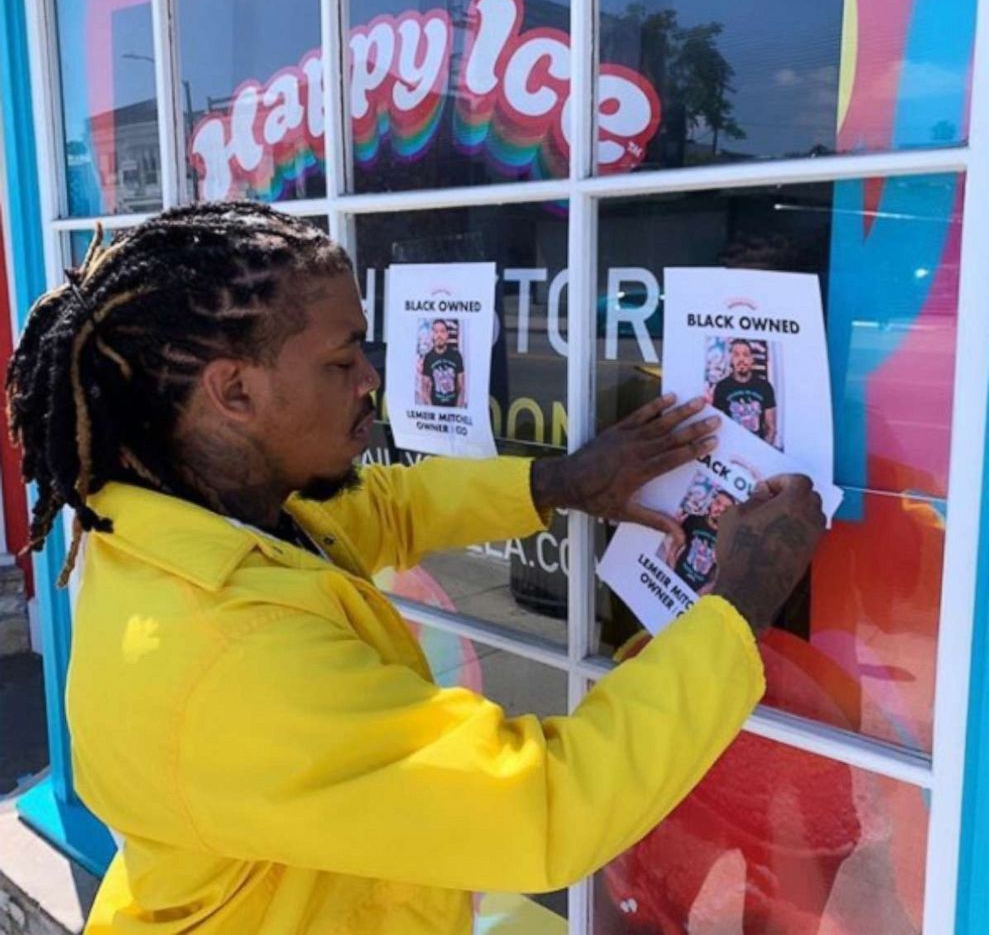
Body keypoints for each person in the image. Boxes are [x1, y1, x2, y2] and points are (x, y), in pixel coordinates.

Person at [6, 202, 824, 935]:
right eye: (343, 360)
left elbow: (387, 506)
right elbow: (541, 808)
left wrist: (557, 482)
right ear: (233, 392)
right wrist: (735, 607)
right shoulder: (228, 653)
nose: (372, 383)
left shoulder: (190, 518)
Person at [666, 489, 736, 593]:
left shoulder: (728, 541)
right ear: (712, 502)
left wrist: (701, 594)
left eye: (726, 508)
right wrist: (671, 568)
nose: (720, 509)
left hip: (695, 592)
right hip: (674, 577)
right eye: (718, 503)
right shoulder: (693, 520)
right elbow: (673, 545)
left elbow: (719, 576)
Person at [712, 339, 778, 446]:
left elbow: (771, 428)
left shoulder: (765, 387)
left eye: (746, 355)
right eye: (736, 355)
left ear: (752, 359)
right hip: (731, 447)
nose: (741, 359)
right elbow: (717, 424)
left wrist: (765, 453)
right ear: (731, 359)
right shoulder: (722, 387)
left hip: (757, 447)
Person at [420, 318, 465, 407]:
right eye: (436, 332)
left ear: (447, 334)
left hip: (453, 409)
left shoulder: (456, 356)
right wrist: (432, 409)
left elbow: (461, 388)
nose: (439, 335)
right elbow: (424, 389)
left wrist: (457, 411)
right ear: (432, 335)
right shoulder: (428, 358)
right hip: (435, 408)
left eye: (442, 331)